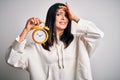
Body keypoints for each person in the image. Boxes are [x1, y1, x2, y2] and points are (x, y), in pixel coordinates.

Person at [6, 2, 104, 80]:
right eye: (58, 14)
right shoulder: (38, 46)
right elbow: (12, 59)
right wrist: (26, 30)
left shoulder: (79, 41)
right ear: (51, 18)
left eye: (67, 15)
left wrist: (75, 18)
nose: (63, 18)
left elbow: (98, 34)